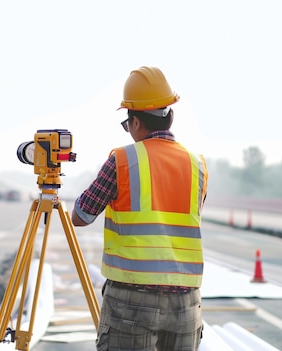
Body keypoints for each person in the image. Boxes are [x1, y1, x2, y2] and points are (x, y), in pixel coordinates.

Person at [72, 66, 209, 351]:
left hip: (131, 299)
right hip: (185, 302)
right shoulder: (197, 165)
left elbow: (81, 216)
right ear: (170, 115)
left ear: (135, 123)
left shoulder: (122, 160)